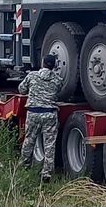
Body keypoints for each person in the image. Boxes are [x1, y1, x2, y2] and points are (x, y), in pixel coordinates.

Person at [18, 54, 63, 182]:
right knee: (49, 144)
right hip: (50, 113)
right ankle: (47, 174)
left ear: (43, 62)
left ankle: (25, 166)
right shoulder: (58, 80)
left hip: (33, 113)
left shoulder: (32, 76)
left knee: (29, 140)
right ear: (54, 65)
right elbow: (59, 90)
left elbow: (21, 89)